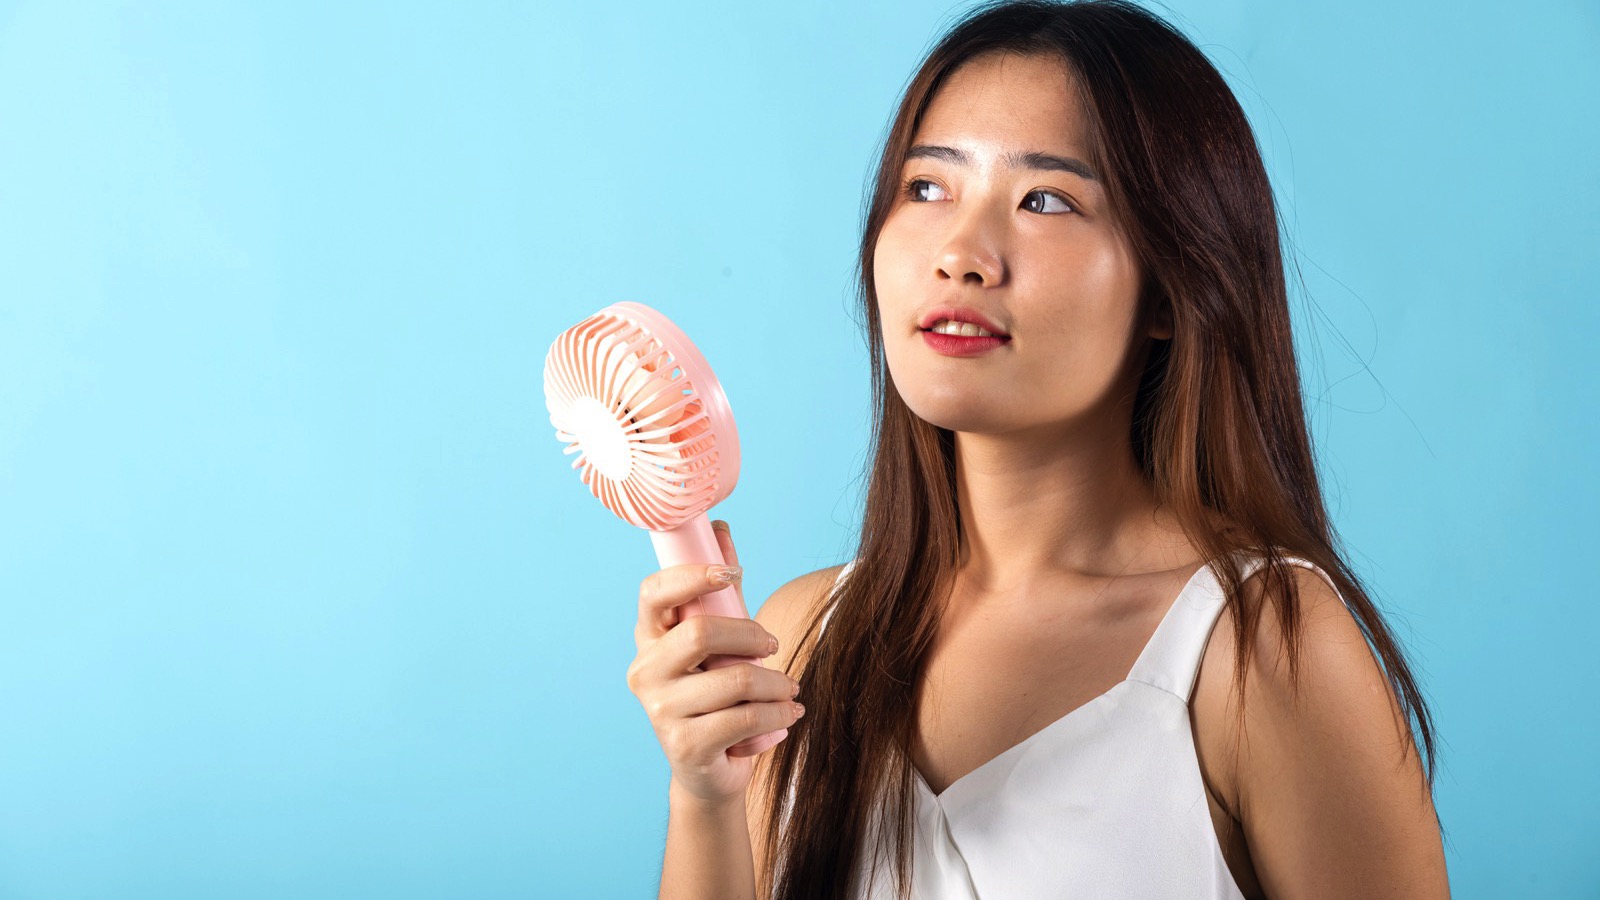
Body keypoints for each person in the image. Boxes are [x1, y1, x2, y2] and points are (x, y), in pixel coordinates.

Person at [627, 1, 1450, 897]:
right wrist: (702, 796)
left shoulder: (1263, 648)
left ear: (1174, 288)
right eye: (928, 188)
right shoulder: (797, 640)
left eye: (1045, 199)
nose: (962, 254)